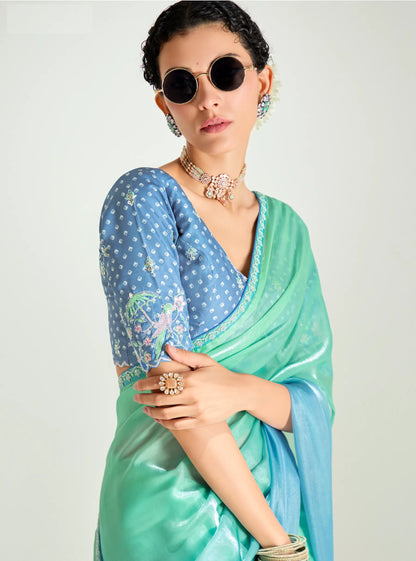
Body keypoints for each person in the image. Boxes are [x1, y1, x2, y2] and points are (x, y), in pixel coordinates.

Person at [94, 2, 334, 560]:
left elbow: (312, 404)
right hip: (169, 507)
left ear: (262, 81)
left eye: (226, 73)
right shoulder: (143, 199)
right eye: (183, 84)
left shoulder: (288, 231)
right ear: (165, 104)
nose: (208, 98)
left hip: (273, 497)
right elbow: (173, 398)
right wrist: (279, 543)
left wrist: (239, 389)